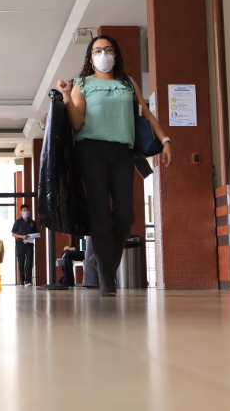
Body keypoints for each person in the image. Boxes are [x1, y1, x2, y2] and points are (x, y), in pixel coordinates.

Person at [56, 35, 171, 296]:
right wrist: (66, 95)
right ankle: (107, 280)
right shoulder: (83, 83)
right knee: (100, 214)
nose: (103, 54)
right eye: (97, 50)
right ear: (90, 57)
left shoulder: (127, 83)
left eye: (108, 49)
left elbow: (146, 113)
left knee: (124, 217)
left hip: (122, 152)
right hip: (91, 151)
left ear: (116, 54)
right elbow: (76, 122)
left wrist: (165, 140)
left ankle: (102, 263)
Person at [11, 206, 39, 285]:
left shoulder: (32, 223)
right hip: (20, 244)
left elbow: (36, 233)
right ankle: (22, 279)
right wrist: (22, 236)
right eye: (24, 210)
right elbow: (13, 234)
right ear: (21, 212)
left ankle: (28, 280)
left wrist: (32, 236)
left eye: (27, 210)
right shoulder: (18, 222)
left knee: (29, 261)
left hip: (29, 244)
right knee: (21, 261)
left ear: (29, 211)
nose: (26, 212)